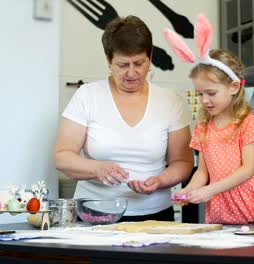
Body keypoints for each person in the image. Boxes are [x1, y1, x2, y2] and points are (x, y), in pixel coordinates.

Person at [54, 15, 194, 222]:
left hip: (155, 216)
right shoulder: (87, 95)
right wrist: (97, 169)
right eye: (122, 65)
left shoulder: (169, 100)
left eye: (139, 63)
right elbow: (62, 156)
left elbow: (182, 161)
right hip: (95, 214)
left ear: (150, 57)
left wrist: (160, 180)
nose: (131, 73)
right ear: (109, 60)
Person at [165, 14, 254, 224]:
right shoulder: (203, 128)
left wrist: (210, 190)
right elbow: (202, 172)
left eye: (211, 93)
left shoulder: (249, 123)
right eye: (200, 94)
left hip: (250, 207)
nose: (205, 100)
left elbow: (247, 170)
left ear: (234, 87)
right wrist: (189, 191)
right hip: (220, 208)